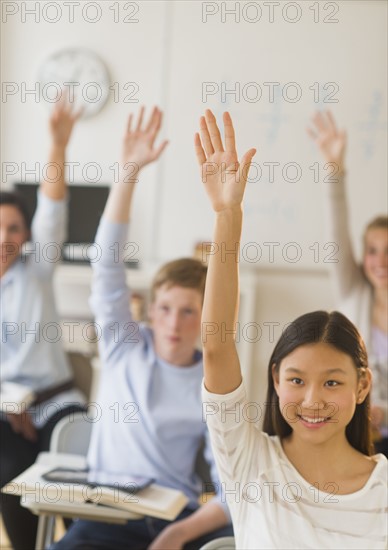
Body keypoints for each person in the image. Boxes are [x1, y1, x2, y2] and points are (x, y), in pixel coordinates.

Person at [196, 110, 387, 549]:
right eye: (296, 380)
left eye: (332, 382)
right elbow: (217, 344)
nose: (312, 400)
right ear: (276, 380)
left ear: (361, 387)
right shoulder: (248, 461)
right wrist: (228, 215)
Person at [52, 106, 232, 550]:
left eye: (190, 311)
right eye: (166, 308)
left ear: (205, 318)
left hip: (173, 520)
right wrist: (128, 172)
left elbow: (232, 492)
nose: (174, 322)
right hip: (106, 517)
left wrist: (176, 534)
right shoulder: (126, 346)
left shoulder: (212, 382)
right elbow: (106, 265)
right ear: (151, 310)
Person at [0, 98, 86, 549]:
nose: (4, 238)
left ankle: (82, 542)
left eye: (13, 228)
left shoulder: (37, 270)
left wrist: (57, 143)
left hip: (56, 404)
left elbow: (52, 210)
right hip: (4, 414)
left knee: (77, 471)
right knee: (8, 476)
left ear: (26, 235)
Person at [308, 111, 388, 455]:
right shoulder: (354, 293)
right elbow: (335, 235)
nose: (380, 262)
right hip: (352, 432)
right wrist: (334, 171)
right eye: (372, 250)